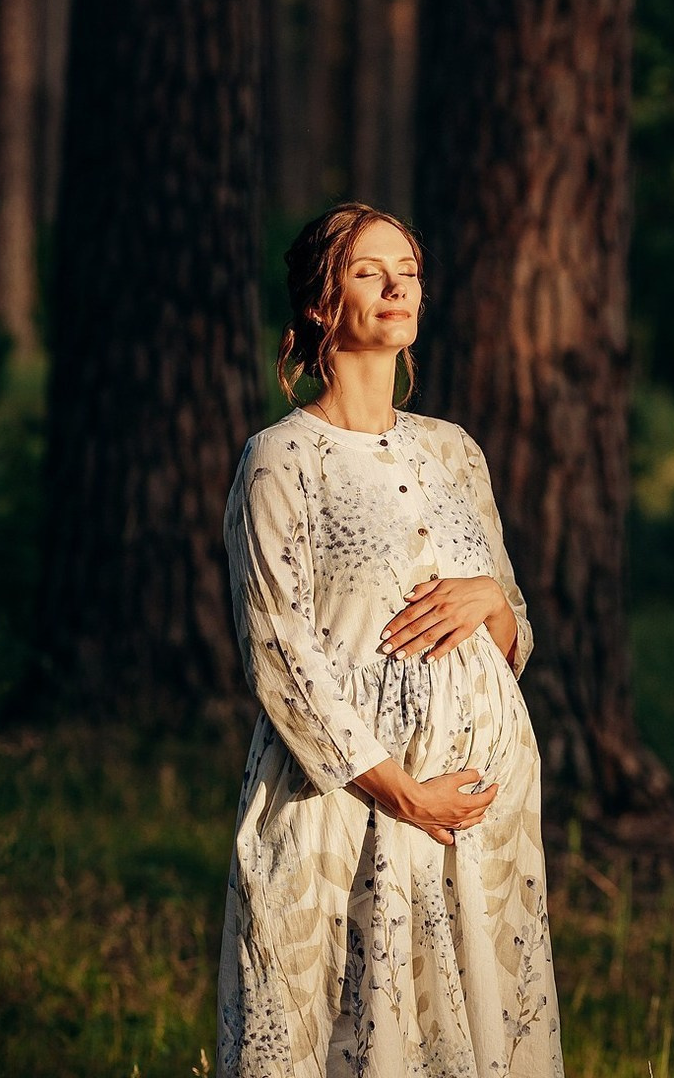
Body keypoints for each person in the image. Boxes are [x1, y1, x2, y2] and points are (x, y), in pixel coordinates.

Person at [217, 203, 564, 1077]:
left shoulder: (455, 452)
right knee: (353, 1036)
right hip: (351, 805)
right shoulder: (280, 459)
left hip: (481, 822)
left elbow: (513, 634)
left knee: (481, 1037)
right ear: (320, 304)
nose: (397, 284)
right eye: (370, 270)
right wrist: (404, 793)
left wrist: (486, 594)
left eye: (406, 267)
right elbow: (278, 651)